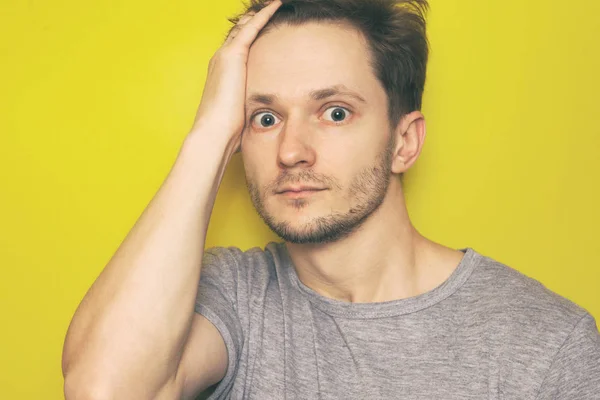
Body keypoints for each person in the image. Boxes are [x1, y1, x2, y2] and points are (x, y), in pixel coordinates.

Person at [61, 0, 600, 398]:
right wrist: (210, 135)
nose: (292, 151)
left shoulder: (546, 344)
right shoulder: (232, 299)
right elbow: (101, 390)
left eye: (335, 111)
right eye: (265, 119)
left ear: (403, 142)